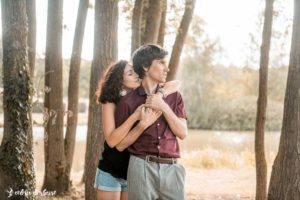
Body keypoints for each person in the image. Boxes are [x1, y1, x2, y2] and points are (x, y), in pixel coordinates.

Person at [94, 60, 181, 200]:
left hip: (136, 171)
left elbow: (176, 83)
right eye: (130, 73)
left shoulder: (146, 93)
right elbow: (111, 141)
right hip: (111, 169)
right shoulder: (110, 101)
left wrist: (161, 94)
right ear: (119, 80)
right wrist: (136, 117)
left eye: (135, 71)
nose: (136, 75)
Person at [115, 44, 188, 200]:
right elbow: (120, 145)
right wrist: (142, 125)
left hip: (172, 169)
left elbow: (183, 133)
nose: (166, 69)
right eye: (161, 63)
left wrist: (163, 106)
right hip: (140, 168)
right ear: (145, 66)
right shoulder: (127, 102)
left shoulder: (175, 97)